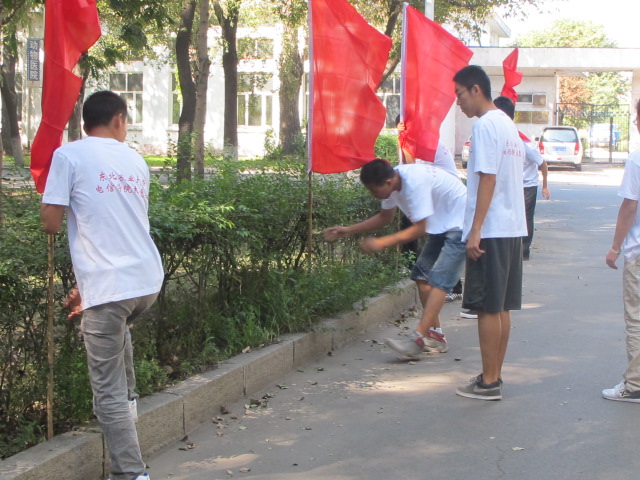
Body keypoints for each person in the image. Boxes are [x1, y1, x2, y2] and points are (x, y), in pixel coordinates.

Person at [40, 91, 163, 480]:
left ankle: (131, 473)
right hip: (146, 282)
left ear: (85, 122)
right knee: (120, 358)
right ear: (118, 120)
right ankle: (130, 439)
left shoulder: (69, 156)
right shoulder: (136, 161)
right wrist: (87, 287)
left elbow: (51, 223)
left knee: (107, 391)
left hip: (111, 290)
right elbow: (118, 226)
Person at [323, 158, 467, 359]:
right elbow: (385, 217)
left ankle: (417, 339)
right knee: (422, 276)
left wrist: (382, 242)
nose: (373, 195)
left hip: (463, 223)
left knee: (439, 281)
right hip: (443, 222)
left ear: (388, 183)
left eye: (374, 191)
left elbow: (420, 229)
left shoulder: (414, 184)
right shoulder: (393, 181)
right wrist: (348, 230)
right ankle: (435, 336)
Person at [452, 66, 527, 401]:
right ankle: (493, 374)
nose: (459, 103)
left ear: (476, 89)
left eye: (460, 95)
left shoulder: (484, 126)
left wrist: (476, 230)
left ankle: (489, 382)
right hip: (512, 227)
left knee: (486, 307)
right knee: (502, 307)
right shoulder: (507, 124)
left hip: (491, 229)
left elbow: (488, 178)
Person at [396, 117, 464, 300]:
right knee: (430, 257)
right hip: (440, 200)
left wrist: (403, 141)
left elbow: (411, 171)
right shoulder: (420, 141)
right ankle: (441, 287)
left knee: (445, 246)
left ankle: (453, 288)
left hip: (449, 202)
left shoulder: (426, 143)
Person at [603, 100, 640, 403]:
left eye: (637, 116)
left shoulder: (637, 160)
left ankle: (635, 384)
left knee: (636, 319)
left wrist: (615, 248)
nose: (636, 121)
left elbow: (629, 206)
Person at [493, 96, 550, 261]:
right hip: (513, 184)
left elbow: (543, 164)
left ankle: (524, 250)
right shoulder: (504, 137)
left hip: (527, 185)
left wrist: (545, 186)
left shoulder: (523, 142)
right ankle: (512, 249)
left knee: (525, 217)